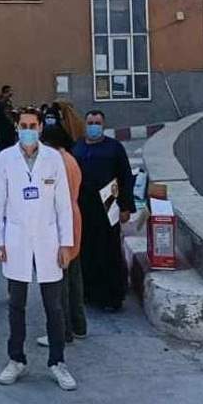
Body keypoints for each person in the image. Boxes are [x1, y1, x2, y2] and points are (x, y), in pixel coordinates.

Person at [0, 107, 77, 391]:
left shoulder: (53, 159)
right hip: (16, 240)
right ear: (16, 128)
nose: (28, 130)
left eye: (32, 125)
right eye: (23, 125)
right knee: (16, 304)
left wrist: (66, 244)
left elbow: (63, 205)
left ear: (40, 128)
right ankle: (16, 359)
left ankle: (57, 361)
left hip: (48, 240)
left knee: (54, 306)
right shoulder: (5, 159)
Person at [72, 110, 135, 310]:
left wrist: (126, 206)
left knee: (109, 249)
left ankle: (112, 297)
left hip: (109, 203)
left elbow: (125, 177)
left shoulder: (114, 148)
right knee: (87, 249)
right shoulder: (78, 147)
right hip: (84, 205)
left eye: (97, 123)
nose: (93, 126)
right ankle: (89, 293)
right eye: (90, 122)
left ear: (103, 125)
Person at [37, 123, 86, 347]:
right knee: (74, 277)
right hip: (73, 218)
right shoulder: (70, 159)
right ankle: (78, 325)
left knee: (58, 282)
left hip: (59, 222)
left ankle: (62, 331)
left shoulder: (55, 163)